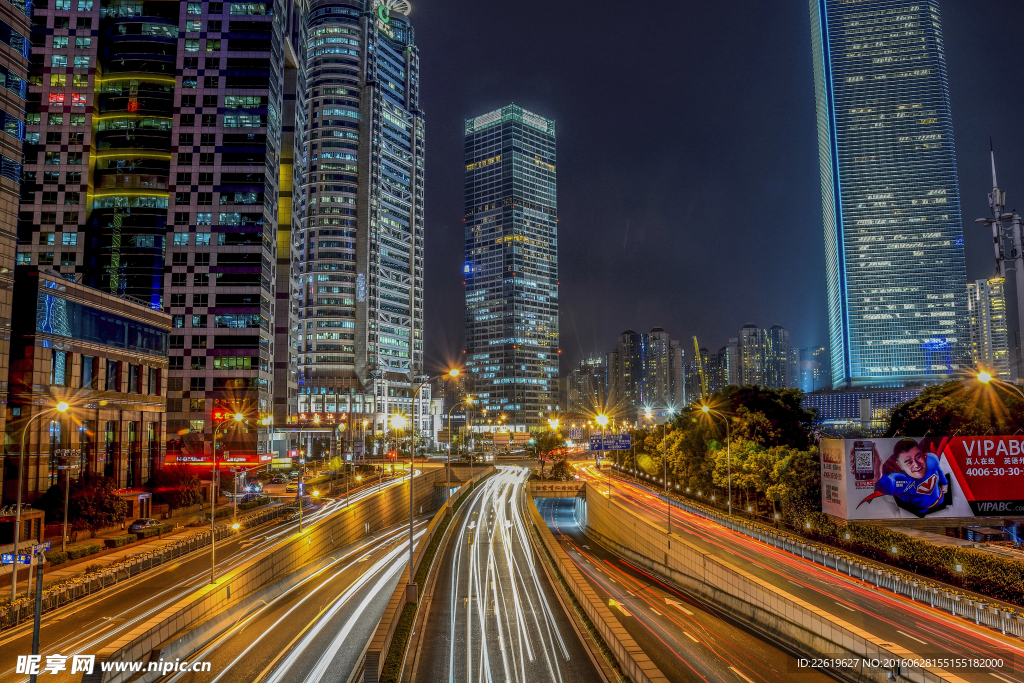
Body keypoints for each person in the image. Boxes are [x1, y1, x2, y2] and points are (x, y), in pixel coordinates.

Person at [855, 439, 949, 515]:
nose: (917, 465)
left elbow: (939, 470)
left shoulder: (932, 459)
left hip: (940, 498)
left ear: (923, 454)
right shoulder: (902, 479)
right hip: (920, 508)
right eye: (909, 462)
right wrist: (878, 477)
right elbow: (890, 486)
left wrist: (945, 483)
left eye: (918, 457)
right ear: (900, 465)